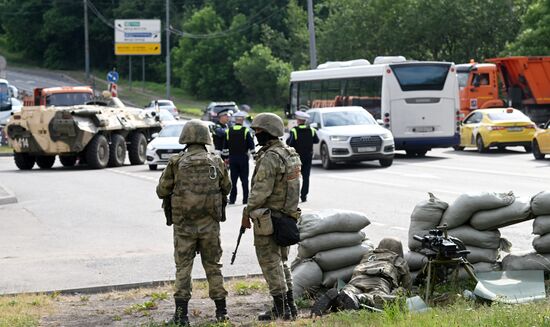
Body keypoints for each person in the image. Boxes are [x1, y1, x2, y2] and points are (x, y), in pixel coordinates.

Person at [156, 120, 231, 326]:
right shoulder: (215, 161)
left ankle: (181, 316)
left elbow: (162, 190)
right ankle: (221, 312)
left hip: (184, 226)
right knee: (214, 266)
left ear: (185, 138)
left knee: (183, 268)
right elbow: (227, 187)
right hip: (210, 225)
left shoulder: (176, 162)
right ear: (207, 138)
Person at [241, 113, 302, 321]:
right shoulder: (290, 153)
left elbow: (260, 192)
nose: (256, 135)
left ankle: (281, 308)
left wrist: (247, 211)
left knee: (270, 263)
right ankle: (290, 306)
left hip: (269, 219)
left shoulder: (270, 157)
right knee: (282, 262)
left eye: (258, 131)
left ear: (268, 132)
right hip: (287, 217)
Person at [311, 237, 412, 316]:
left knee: (347, 294)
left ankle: (338, 295)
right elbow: (407, 287)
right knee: (377, 299)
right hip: (379, 281)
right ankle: (359, 298)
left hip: (357, 279)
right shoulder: (399, 260)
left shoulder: (368, 255)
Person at [222, 111, 255, 205]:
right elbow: (251, 145)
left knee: (233, 180)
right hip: (243, 158)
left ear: (235, 120)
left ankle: (232, 199)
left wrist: (225, 158)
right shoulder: (245, 131)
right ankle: (245, 199)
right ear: (243, 120)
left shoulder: (229, 131)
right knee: (244, 180)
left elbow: (225, 147)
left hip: (232, 158)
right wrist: (255, 157)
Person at [286, 111, 319, 202]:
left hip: (297, 157)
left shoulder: (294, 130)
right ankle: (304, 196)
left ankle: (295, 196)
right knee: (306, 177)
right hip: (308, 156)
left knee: (295, 177)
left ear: (298, 120)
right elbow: (316, 140)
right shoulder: (311, 130)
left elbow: (289, 143)